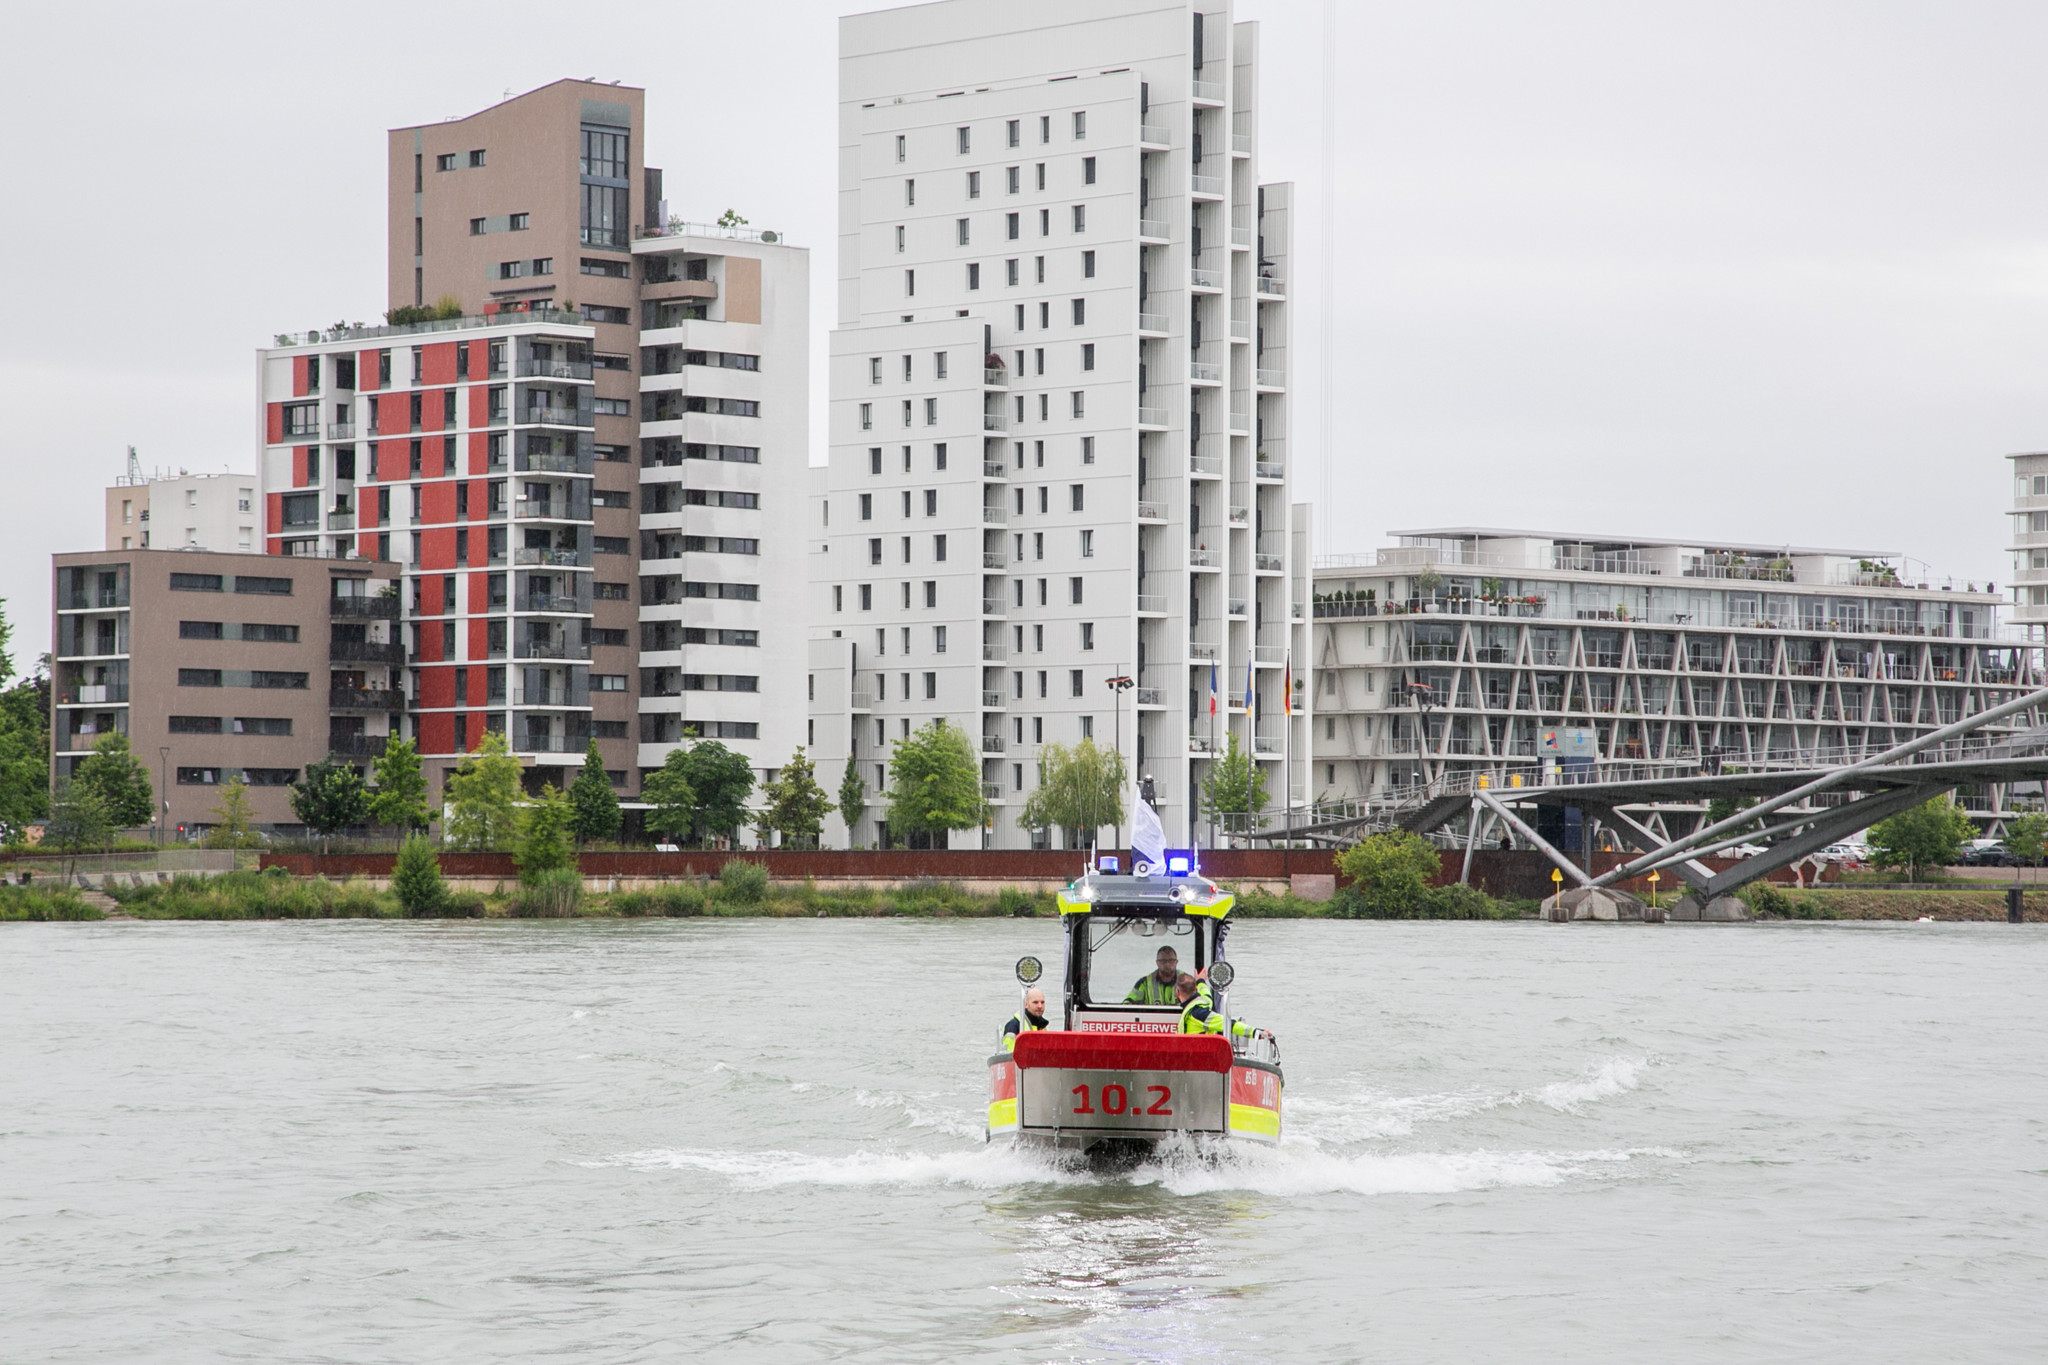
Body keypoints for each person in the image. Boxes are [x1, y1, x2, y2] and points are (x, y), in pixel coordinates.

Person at [1175, 973, 1258, 1038]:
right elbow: (1206, 993)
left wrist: (1254, 1032)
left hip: (1197, 1055)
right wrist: (1201, 981)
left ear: (1177, 992)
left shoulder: (1199, 1014)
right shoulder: (1204, 1001)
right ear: (1196, 989)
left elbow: (1227, 1024)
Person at [1000, 987, 1050, 1053]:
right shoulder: (1013, 1026)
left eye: (1042, 1002)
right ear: (1026, 1004)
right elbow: (1008, 1056)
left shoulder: (1043, 1026)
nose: (1040, 1006)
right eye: (1035, 1002)